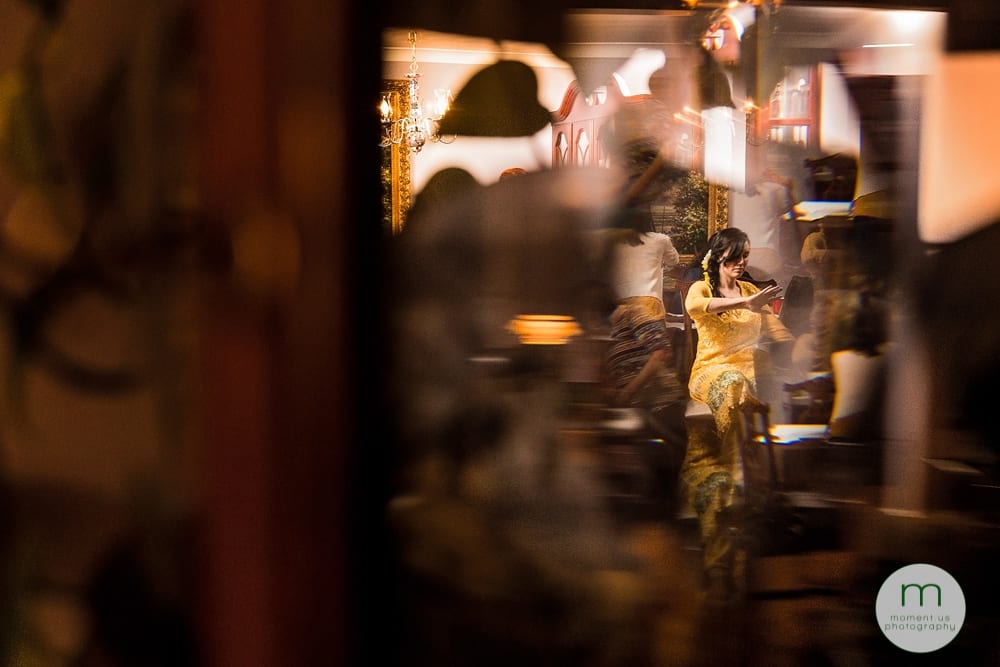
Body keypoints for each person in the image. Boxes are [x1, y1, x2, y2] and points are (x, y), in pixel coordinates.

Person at [681, 227, 793, 603]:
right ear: (719, 257)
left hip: (745, 385)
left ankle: (728, 570)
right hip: (709, 376)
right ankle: (740, 466)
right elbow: (697, 310)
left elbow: (779, 334)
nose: (743, 263)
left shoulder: (751, 293)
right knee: (729, 381)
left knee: (721, 488)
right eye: (736, 256)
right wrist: (748, 305)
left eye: (745, 256)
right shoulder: (703, 288)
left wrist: (799, 341)